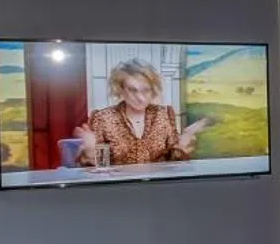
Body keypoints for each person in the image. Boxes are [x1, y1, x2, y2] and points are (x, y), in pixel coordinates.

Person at [74, 59, 210, 166]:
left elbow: (173, 164)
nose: (140, 97)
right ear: (121, 90)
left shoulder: (164, 114)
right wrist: (92, 150)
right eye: (133, 90)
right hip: (120, 190)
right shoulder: (103, 118)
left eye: (146, 90)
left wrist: (184, 141)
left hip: (158, 189)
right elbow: (100, 171)